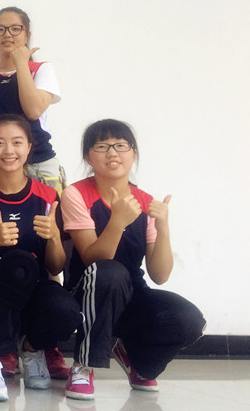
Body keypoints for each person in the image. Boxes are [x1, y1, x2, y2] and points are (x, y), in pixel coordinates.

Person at [61, 119, 205, 400]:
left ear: (133, 153)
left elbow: (159, 275)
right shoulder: (76, 194)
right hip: (86, 290)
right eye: (102, 146)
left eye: (121, 146)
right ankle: (83, 365)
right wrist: (117, 221)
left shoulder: (146, 201)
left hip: (130, 291)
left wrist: (163, 227)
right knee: (109, 272)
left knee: (189, 319)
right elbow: (92, 258)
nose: (112, 153)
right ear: (88, 157)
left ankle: (135, 358)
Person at [0, 114, 82, 401]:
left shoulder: (48, 197)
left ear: (29, 147)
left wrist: (54, 237)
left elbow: (55, 267)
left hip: (34, 293)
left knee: (68, 312)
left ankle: (31, 349)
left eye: (17, 142)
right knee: (19, 261)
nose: (9, 150)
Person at [0, 6, 64, 194]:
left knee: (50, 212)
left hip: (37, 161)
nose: (7, 34)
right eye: (0, 29)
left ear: (27, 35)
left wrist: (21, 64)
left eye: (15, 28)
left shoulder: (41, 69)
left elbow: (33, 110)